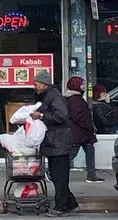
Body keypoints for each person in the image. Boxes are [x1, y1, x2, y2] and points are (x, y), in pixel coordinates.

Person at [30, 71, 79, 217]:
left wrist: (41, 115)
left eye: (36, 84)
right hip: (55, 142)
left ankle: (61, 207)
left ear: (44, 84)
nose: (34, 87)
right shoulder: (47, 96)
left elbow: (61, 116)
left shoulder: (55, 96)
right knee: (57, 176)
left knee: (59, 177)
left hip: (59, 142)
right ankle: (71, 204)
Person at [66, 76, 105, 184]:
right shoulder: (75, 100)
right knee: (72, 153)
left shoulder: (74, 99)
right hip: (80, 132)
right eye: (82, 84)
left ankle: (92, 175)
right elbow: (77, 116)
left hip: (83, 132)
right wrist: (88, 125)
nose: (84, 86)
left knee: (89, 151)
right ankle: (52, 172)